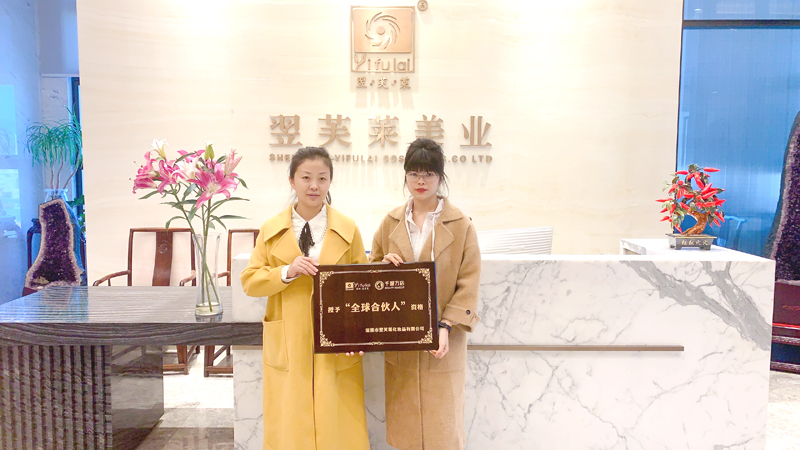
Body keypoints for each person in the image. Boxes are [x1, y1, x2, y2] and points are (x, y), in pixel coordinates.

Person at [240, 147, 370, 450]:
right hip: (289, 338)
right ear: (292, 180)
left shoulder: (348, 228)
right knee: (290, 418)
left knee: (337, 416)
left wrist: (358, 333)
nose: (314, 186)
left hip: (336, 339)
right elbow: (250, 281)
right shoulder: (271, 229)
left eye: (322, 178)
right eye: (306, 177)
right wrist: (286, 271)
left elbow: (363, 284)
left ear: (330, 182)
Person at [370, 138, 481, 450]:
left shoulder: (461, 225)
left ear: (440, 177)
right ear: (405, 176)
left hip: (444, 341)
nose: (421, 181)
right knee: (405, 428)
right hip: (401, 339)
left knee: (442, 428)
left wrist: (446, 325)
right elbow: (370, 272)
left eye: (429, 174)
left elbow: (469, 281)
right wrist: (382, 268)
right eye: (414, 173)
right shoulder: (390, 222)